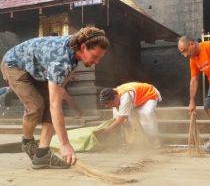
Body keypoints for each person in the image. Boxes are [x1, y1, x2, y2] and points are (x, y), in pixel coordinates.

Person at [1, 27, 109, 169]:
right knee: (37, 106)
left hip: (37, 69)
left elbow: (56, 99)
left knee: (50, 108)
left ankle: (42, 155)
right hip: (14, 64)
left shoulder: (76, 45)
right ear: (83, 47)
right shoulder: (60, 62)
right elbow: (55, 105)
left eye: (100, 58)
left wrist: (64, 79)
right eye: (95, 56)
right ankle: (27, 142)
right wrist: (64, 144)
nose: (97, 61)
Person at [98, 82, 162, 146]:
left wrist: (106, 131)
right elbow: (117, 120)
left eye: (111, 104)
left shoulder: (125, 96)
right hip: (137, 99)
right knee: (126, 121)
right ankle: (133, 141)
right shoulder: (113, 96)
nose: (111, 106)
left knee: (147, 113)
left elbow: (120, 119)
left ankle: (156, 140)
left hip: (148, 94)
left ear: (115, 97)